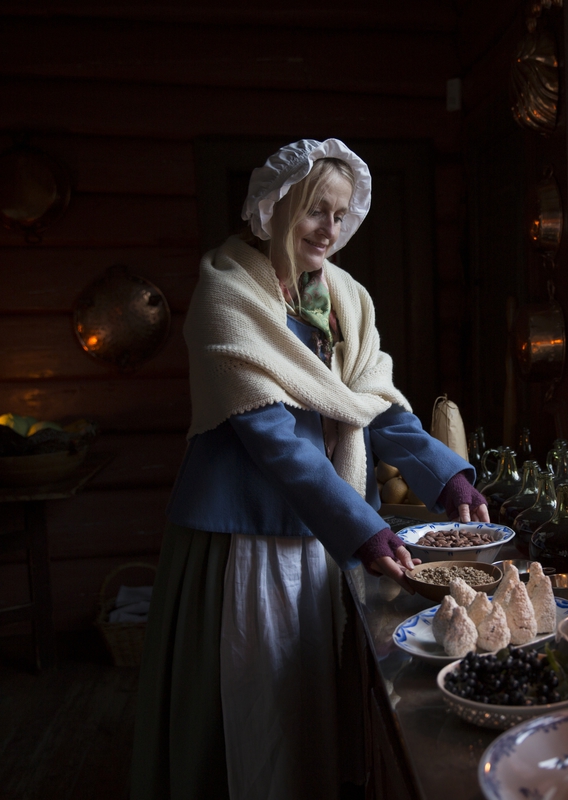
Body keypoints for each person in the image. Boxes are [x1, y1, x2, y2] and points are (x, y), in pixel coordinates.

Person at [129, 138, 489, 800]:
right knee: (258, 696)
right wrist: (362, 527)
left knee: (311, 693)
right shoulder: (227, 297)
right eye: (315, 211)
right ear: (274, 209)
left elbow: (373, 405)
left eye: (342, 213)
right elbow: (274, 440)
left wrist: (447, 475)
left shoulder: (346, 298)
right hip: (250, 537)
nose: (331, 228)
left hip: (327, 529)